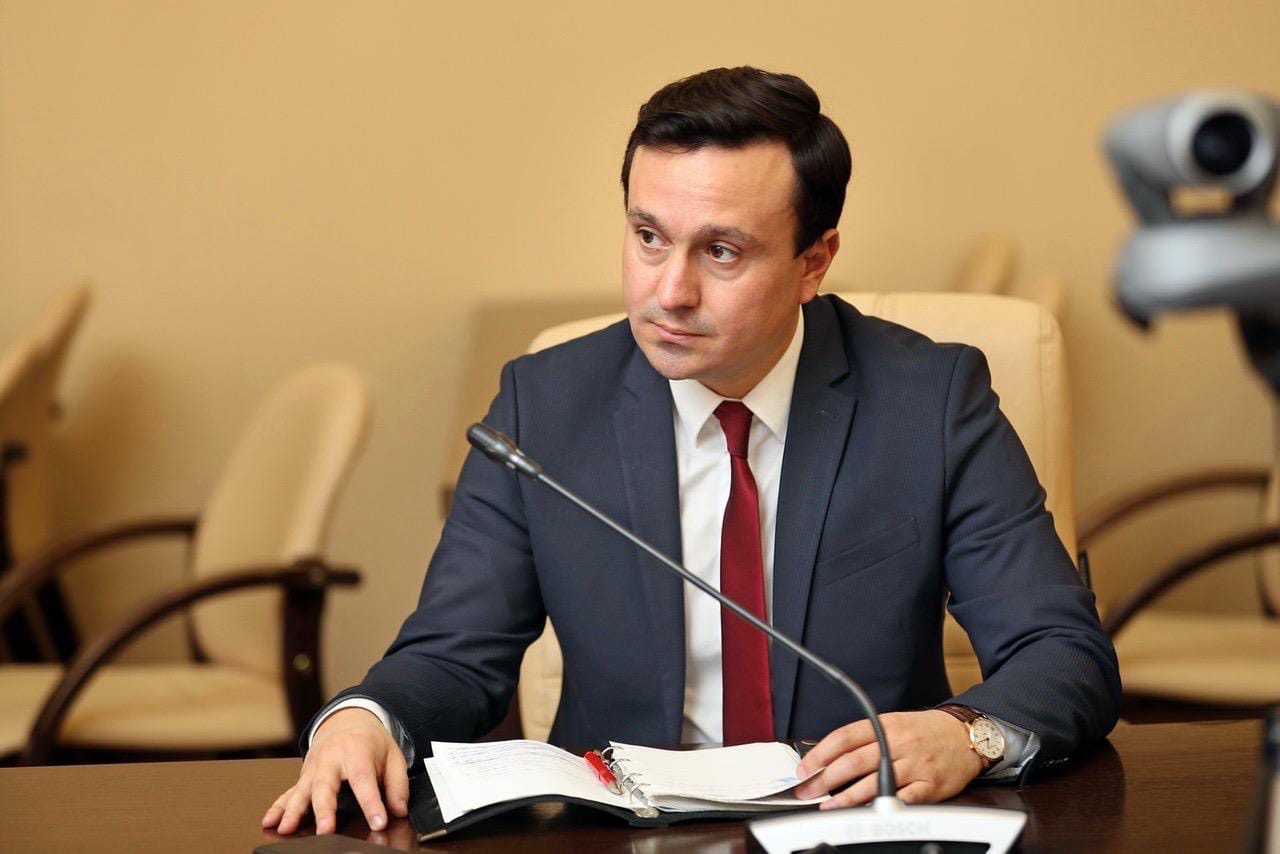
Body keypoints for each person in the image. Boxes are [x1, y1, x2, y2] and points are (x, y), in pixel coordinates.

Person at [264, 66, 1121, 836]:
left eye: (721, 251)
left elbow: (1062, 652)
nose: (669, 292)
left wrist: (967, 734)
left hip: (855, 826)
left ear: (814, 262)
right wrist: (366, 718)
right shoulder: (544, 408)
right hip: (617, 834)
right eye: (648, 237)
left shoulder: (928, 402)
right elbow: (453, 653)